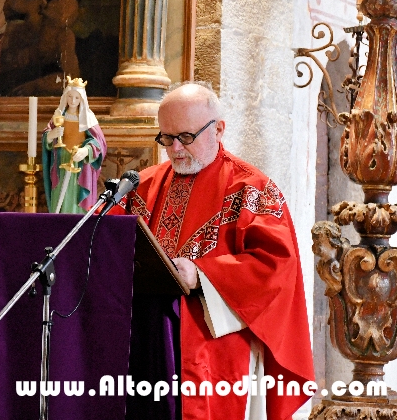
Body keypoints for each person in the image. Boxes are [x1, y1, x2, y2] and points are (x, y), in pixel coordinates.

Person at [115, 82, 314, 420]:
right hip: (143, 337)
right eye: (166, 138)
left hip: (212, 345)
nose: (175, 148)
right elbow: (105, 241)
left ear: (218, 129)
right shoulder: (143, 184)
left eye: (186, 137)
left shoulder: (251, 188)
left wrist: (201, 273)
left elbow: (275, 266)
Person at [42, 77, 106, 213]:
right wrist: (51, 136)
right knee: (60, 200)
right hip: (61, 162)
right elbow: (46, 138)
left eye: (76, 98)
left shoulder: (88, 118)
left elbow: (99, 143)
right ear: (65, 97)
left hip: (81, 166)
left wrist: (86, 150)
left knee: (77, 203)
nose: (72, 101)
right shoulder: (58, 116)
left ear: (81, 99)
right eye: (70, 97)